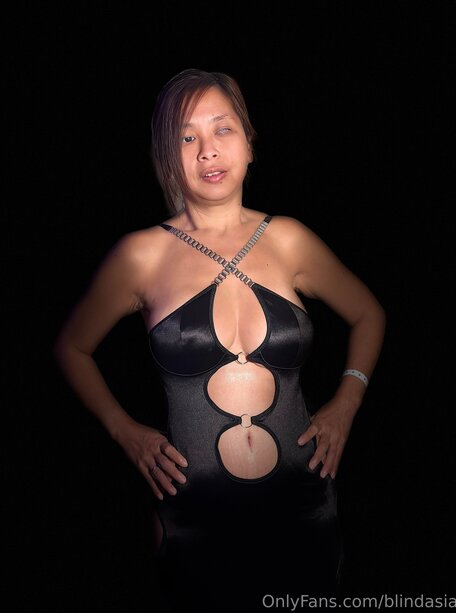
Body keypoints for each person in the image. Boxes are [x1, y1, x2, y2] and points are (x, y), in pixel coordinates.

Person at [54, 68, 386, 612]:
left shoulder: (290, 240)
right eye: (187, 137)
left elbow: (368, 313)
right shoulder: (140, 256)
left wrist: (347, 402)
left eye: (222, 129)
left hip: (304, 511)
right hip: (194, 523)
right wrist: (124, 430)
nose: (208, 150)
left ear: (249, 143)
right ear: (168, 156)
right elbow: (71, 347)